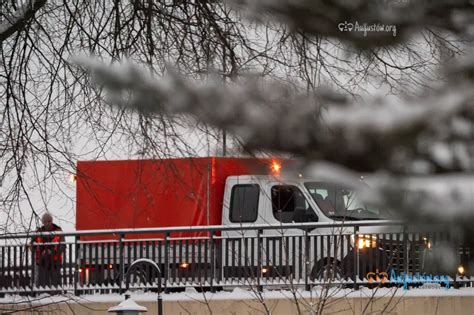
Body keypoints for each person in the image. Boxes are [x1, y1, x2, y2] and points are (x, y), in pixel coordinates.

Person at [32, 212, 63, 288]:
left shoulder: (58, 231)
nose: (47, 223)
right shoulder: (38, 232)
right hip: (41, 262)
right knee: (42, 282)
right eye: (45, 221)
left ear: (52, 221)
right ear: (43, 222)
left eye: (49, 221)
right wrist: (38, 249)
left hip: (55, 261)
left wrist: (52, 252)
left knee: (56, 281)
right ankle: (41, 294)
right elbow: (31, 245)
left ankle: (57, 294)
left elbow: (63, 246)